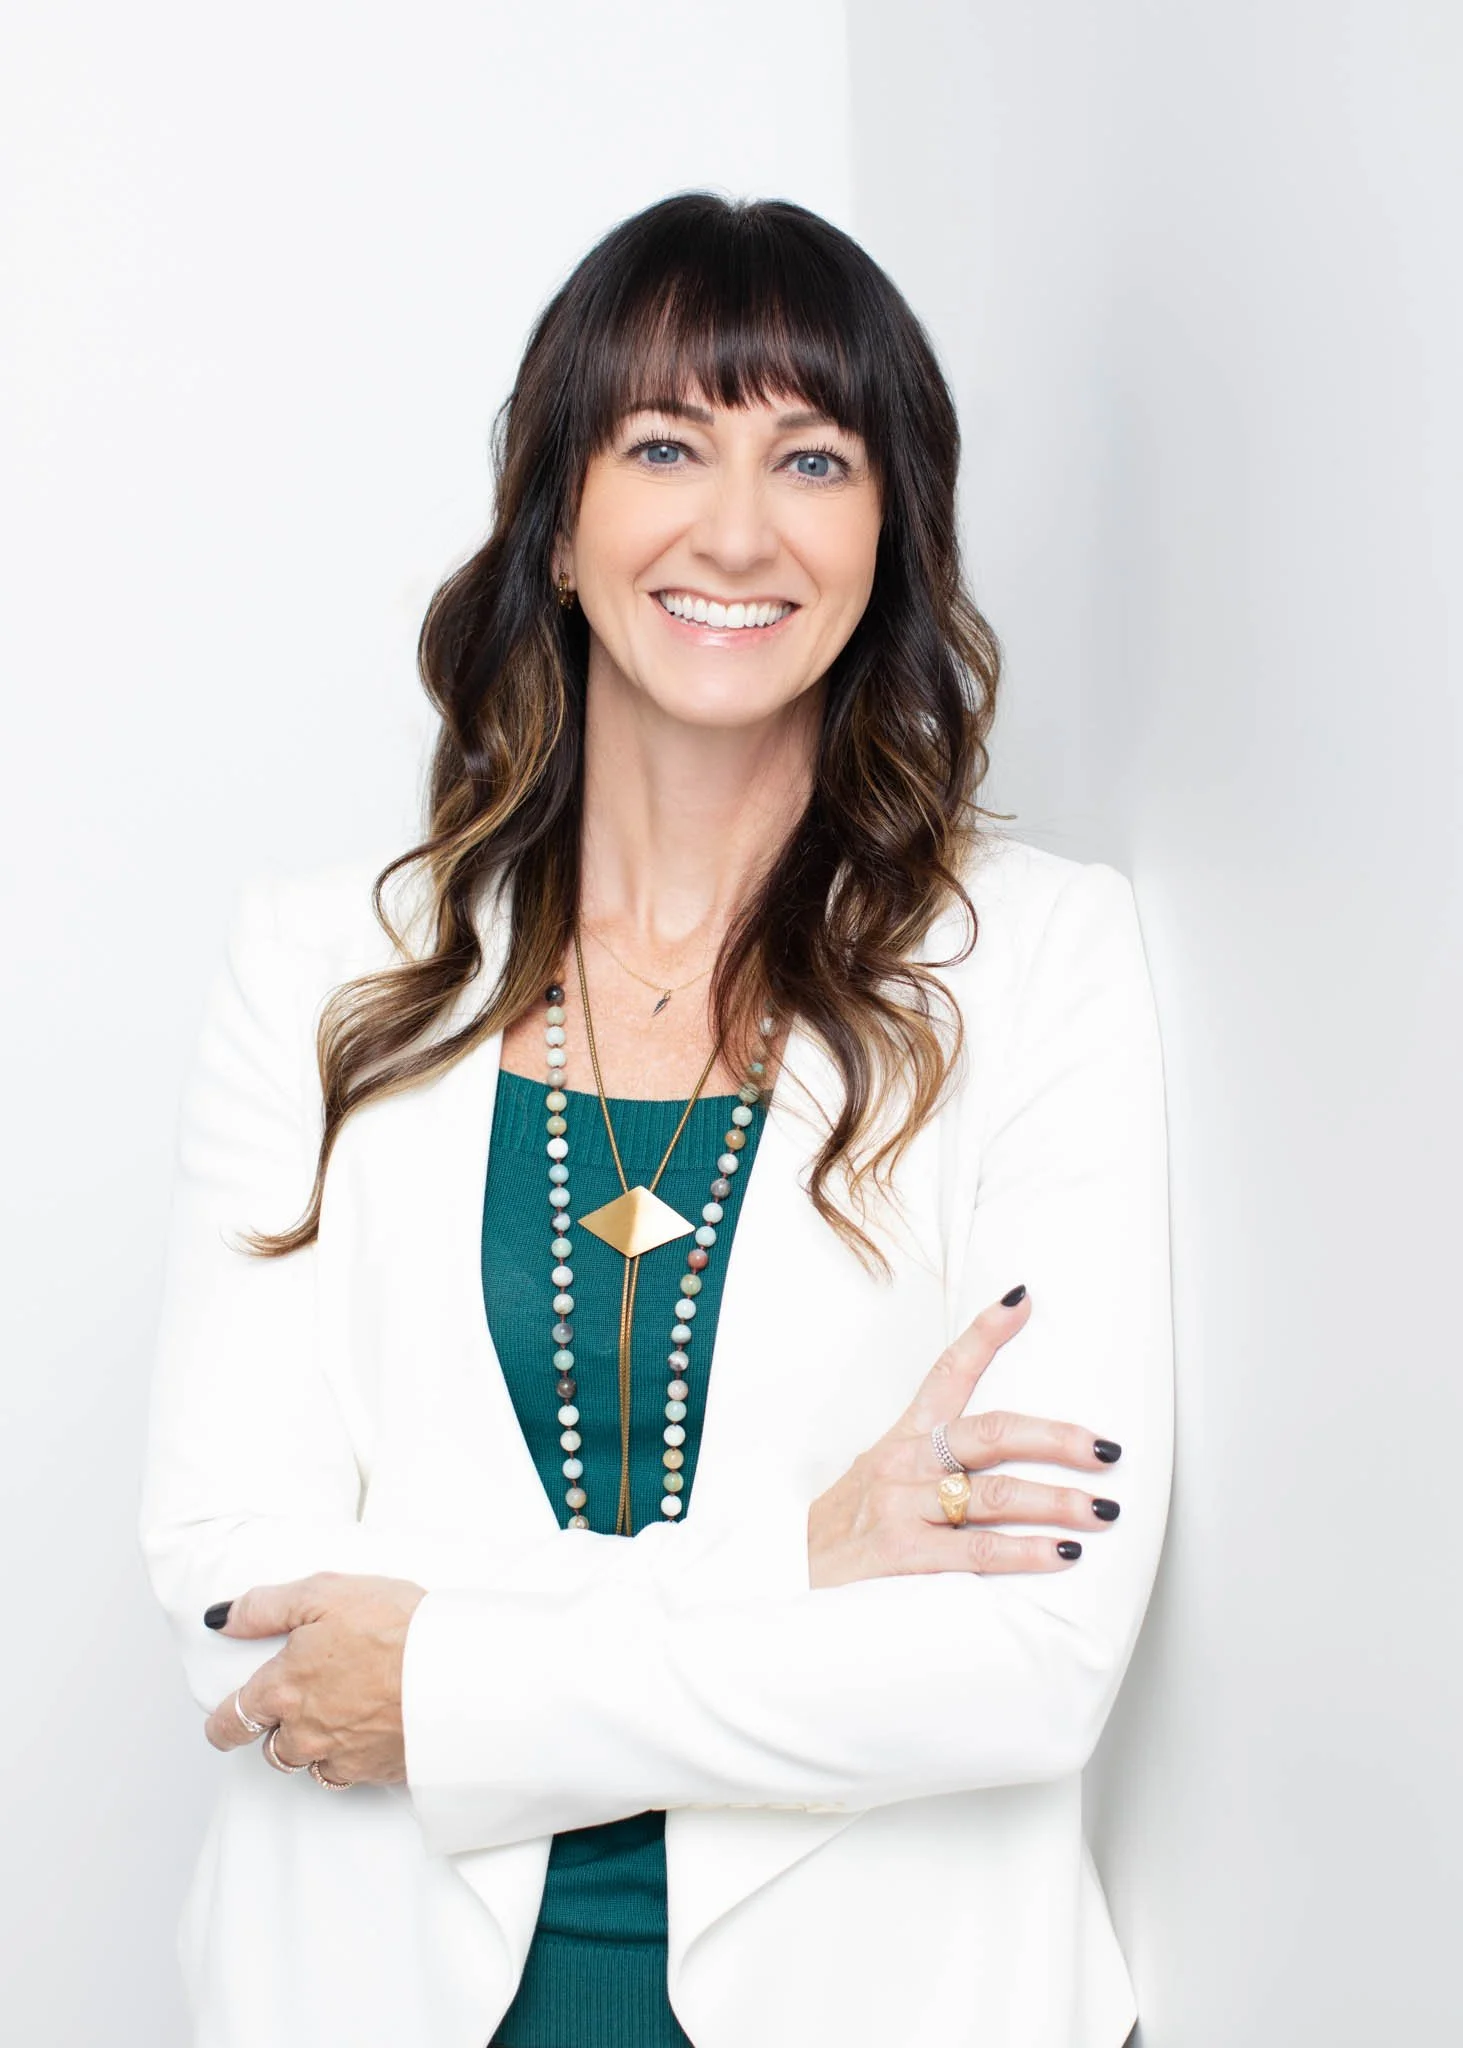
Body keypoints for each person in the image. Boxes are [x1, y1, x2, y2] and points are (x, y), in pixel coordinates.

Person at [138, 192, 1171, 2048]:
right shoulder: (319, 968)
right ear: (556, 522)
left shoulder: (1037, 964)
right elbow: (252, 1611)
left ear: (890, 536)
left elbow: (1031, 1661)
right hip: (365, 1992)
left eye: (813, 456)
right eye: (666, 444)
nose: (735, 528)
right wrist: (804, 1558)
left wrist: (444, 1687)